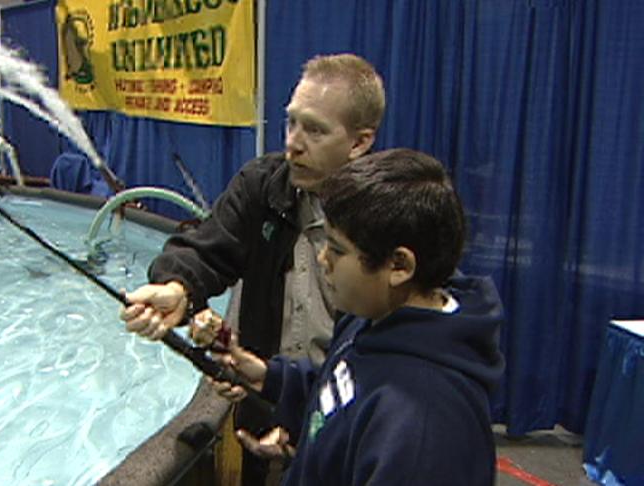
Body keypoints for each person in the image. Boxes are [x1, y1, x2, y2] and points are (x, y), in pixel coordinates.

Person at [119, 53, 385, 483]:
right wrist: (178, 289)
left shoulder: (386, 217)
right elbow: (207, 250)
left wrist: (316, 420)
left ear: (359, 143)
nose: (293, 143)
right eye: (291, 123)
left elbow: (385, 351)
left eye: (315, 130)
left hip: (344, 420)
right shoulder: (263, 185)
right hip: (263, 396)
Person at [206, 148, 506, 485]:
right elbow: (343, 387)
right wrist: (269, 377)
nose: (323, 259)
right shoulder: (373, 317)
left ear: (399, 265)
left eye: (337, 249)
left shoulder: (424, 430)